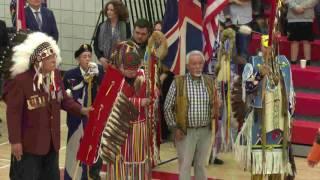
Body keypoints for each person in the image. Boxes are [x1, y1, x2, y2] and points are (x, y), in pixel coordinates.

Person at [2, 32, 91, 180]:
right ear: (38, 60)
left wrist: (81, 109)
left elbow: (64, 100)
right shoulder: (21, 80)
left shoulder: (55, 75)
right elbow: (13, 114)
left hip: (52, 143)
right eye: (49, 58)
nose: (54, 60)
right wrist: (15, 141)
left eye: (55, 56)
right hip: (30, 146)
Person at [234, 35, 296, 180]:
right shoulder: (254, 63)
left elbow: (291, 92)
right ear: (261, 47)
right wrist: (259, 75)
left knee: (277, 166)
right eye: (265, 46)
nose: (268, 49)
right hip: (259, 121)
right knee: (259, 165)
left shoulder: (284, 64)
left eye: (271, 46)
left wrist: (291, 117)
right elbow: (247, 88)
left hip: (280, 123)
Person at [164, 50, 219, 180]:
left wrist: (217, 105)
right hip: (185, 132)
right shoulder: (178, 82)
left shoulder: (210, 81)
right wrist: (174, 127)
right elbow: (167, 107)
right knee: (185, 165)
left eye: (200, 63)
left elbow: (216, 103)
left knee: (201, 165)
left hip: (205, 131)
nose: (197, 67)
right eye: (194, 64)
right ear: (188, 66)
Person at [103, 41, 154, 179]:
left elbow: (152, 99)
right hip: (118, 127)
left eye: (134, 69)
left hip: (139, 128)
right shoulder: (114, 79)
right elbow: (114, 102)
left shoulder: (144, 78)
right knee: (117, 164)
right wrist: (139, 102)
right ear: (121, 67)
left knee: (139, 164)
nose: (132, 73)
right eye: (128, 70)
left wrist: (153, 95)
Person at [63, 44, 104, 180]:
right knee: (73, 150)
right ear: (78, 59)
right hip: (76, 118)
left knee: (91, 149)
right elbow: (66, 99)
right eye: (84, 56)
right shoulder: (70, 75)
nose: (87, 59)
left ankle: (90, 175)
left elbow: (104, 91)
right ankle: (69, 177)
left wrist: (98, 76)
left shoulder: (98, 71)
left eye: (89, 56)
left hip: (91, 118)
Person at [93, 0, 129, 69]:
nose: (108, 12)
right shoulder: (101, 25)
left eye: (111, 10)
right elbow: (95, 45)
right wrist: (100, 58)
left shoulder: (125, 26)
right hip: (104, 63)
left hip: (120, 65)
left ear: (118, 11)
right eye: (107, 9)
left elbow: (127, 44)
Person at [286, 0, 318, 65]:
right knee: (294, 41)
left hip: (307, 18)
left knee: (306, 42)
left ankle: (307, 65)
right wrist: (295, 7)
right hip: (293, 18)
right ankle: (293, 65)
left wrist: (301, 7)